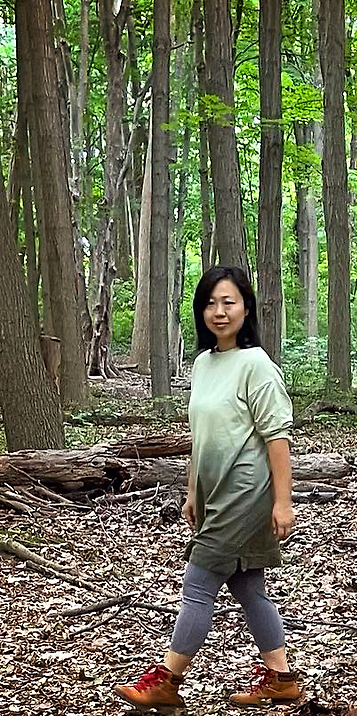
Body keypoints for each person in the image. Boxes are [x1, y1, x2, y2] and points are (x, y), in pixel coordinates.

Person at [114, 266, 304, 710]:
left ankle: (167, 681)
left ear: (246, 308)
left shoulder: (257, 365)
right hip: (214, 494)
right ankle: (281, 679)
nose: (219, 311)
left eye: (228, 302)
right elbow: (201, 436)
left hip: (246, 494)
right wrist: (193, 492)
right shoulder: (203, 364)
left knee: (198, 583)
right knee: (248, 586)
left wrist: (283, 502)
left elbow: (277, 438)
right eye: (210, 303)